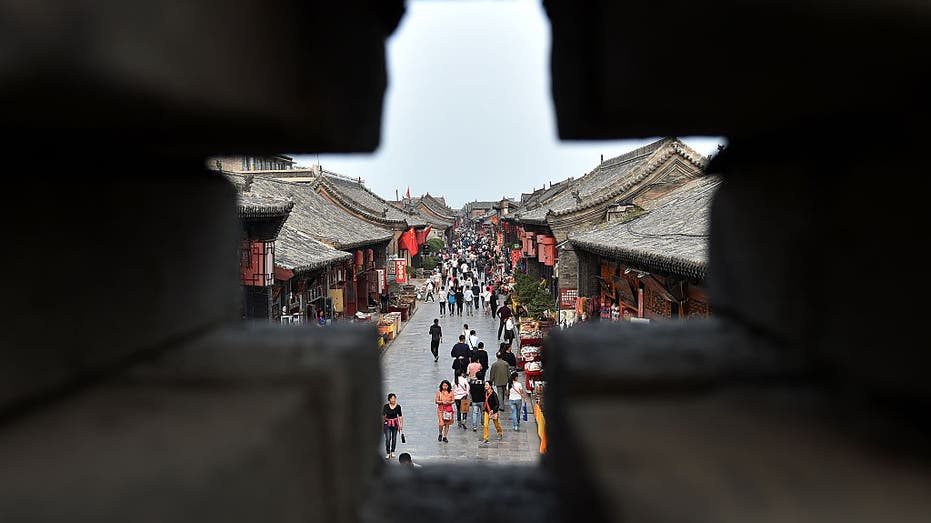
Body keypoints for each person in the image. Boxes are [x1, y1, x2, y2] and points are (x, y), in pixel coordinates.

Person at [480, 381, 503, 445]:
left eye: (486, 385)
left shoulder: (494, 394)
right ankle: (486, 438)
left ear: (490, 386)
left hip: (493, 412)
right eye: (485, 385)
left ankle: (500, 432)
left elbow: (497, 404)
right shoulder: (485, 393)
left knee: (496, 424)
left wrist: (493, 410)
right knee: (485, 424)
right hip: (487, 411)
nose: (485, 386)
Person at [383, 393, 403, 460]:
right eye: (392, 398)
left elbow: (400, 416)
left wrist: (401, 424)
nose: (393, 400)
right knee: (388, 438)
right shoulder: (386, 406)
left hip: (395, 424)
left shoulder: (398, 407)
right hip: (387, 423)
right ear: (389, 399)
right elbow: (383, 416)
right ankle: (388, 452)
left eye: (394, 398)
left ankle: (393, 451)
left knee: (394, 438)